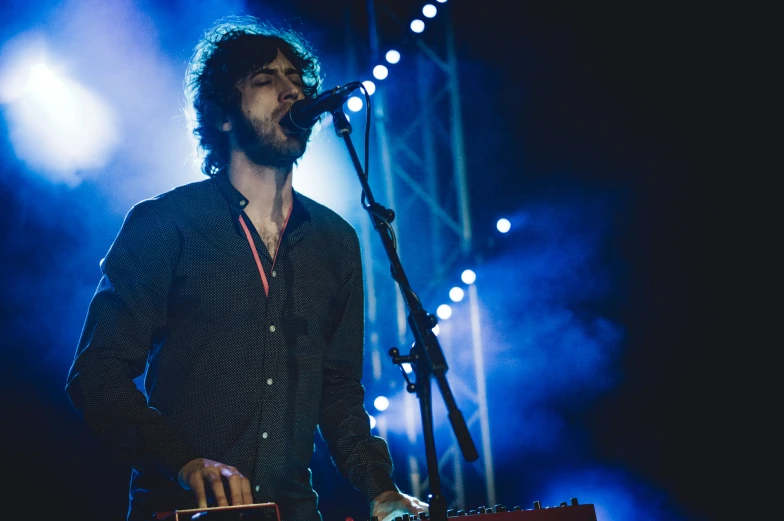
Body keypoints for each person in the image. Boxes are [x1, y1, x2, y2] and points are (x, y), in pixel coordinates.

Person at [65, 15, 428, 521]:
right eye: (265, 80)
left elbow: (338, 391)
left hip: (293, 510)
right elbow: (97, 375)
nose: (290, 92)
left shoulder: (335, 240)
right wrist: (183, 462)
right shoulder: (166, 223)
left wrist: (382, 489)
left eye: (296, 79)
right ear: (223, 117)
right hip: (186, 511)